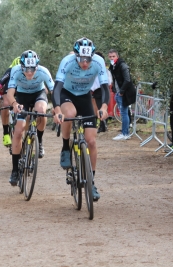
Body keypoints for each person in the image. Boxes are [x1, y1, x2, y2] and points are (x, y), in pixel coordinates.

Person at [53, 37, 110, 201]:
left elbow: (105, 88)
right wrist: (57, 111)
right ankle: (65, 148)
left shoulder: (98, 62)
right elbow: (56, 88)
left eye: (88, 60)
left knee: (91, 141)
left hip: (85, 96)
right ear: (76, 56)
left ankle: (91, 182)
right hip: (67, 94)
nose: (85, 63)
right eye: (81, 59)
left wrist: (104, 108)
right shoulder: (67, 61)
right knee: (69, 115)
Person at [5, 50, 54, 186]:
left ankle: (40, 140)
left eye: (32, 69)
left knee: (41, 111)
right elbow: (10, 93)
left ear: (37, 67)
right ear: (21, 67)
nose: (30, 73)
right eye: (26, 69)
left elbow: (54, 91)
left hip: (39, 94)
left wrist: (57, 107)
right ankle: (15, 170)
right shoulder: (15, 70)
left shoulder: (43, 71)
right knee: (19, 131)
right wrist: (14, 104)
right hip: (21, 97)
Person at [0, 57, 21, 147]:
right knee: (6, 104)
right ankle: (6, 133)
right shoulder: (9, 71)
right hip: (9, 89)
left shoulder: (29, 72)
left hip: (21, 89)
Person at [108, 49, 136, 140]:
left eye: (113, 56)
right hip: (119, 92)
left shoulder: (122, 65)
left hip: (125, 93)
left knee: (124, 113)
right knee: (125, 113)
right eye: (110, 57)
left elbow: (127, 80)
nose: (112, 58)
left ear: (117, 56)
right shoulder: (113, 66)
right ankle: (125, 132)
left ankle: (125, 133)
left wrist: (121, 92)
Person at [91, 51, 112, 133]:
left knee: (101, 108)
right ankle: (102, 125)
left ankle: (103, 126)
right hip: (97, 90)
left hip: (101, 90)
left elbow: (109, 81)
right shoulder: (102, 70)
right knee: (98, 108)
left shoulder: (104, 71)